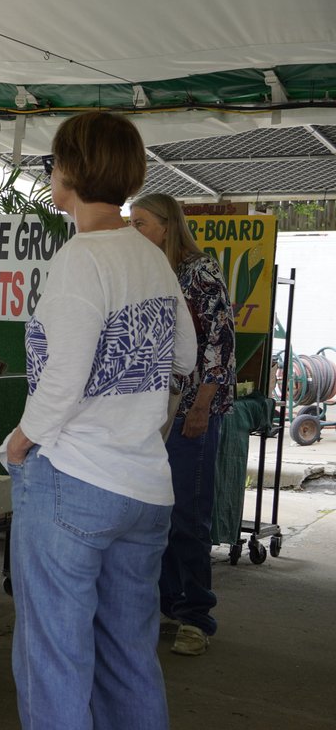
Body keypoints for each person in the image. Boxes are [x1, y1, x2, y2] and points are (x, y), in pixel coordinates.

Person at [1, 111, 196, 730]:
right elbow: (185, 355)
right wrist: (142, 417)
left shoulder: (82, 258)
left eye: (53, 164)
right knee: (129, 659)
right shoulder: (148, 254)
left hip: (74, 483)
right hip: (144, 486)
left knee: (54, 664)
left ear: (70, 173)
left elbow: (65, 375)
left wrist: (21, 441)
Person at [131, 192, 236, 656]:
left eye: (141, 223)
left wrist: (201, 406)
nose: (134, 232)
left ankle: (196, 615)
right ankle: (167, 604)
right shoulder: (152, 272)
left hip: (193, 409)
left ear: (168, 226)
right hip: (154, 412)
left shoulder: (201, 271)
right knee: (158, 512)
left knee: (189, 515)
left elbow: (220, 343)